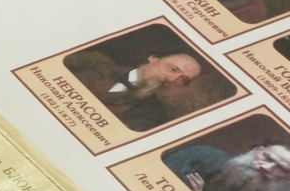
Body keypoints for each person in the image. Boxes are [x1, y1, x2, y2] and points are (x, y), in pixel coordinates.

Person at [64, 50, 202, 131]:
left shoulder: (152, 116)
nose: (172, 79)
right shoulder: (94, 62)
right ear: (153, 59)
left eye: (183, 79)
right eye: (173, 69)